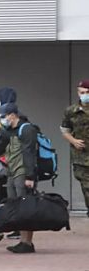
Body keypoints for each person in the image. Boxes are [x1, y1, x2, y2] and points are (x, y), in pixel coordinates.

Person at [0, 103, 38, 254]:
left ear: (12, 115)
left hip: (23, 172)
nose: (3, 119)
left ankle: (27, 242)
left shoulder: (26, 129)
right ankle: (22, 241)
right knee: (15, 206)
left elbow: (29, 153)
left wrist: (29, 176)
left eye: (4, 116)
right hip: (12, 171)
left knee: (25, 207)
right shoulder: (10, 131)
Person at [62, 79, 89, 218]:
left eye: (87, 92)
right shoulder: (71, 111)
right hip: (82, 158)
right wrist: (73, 141)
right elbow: (65, 130)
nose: (85, 95)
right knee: (87, 189)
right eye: (82, 92)